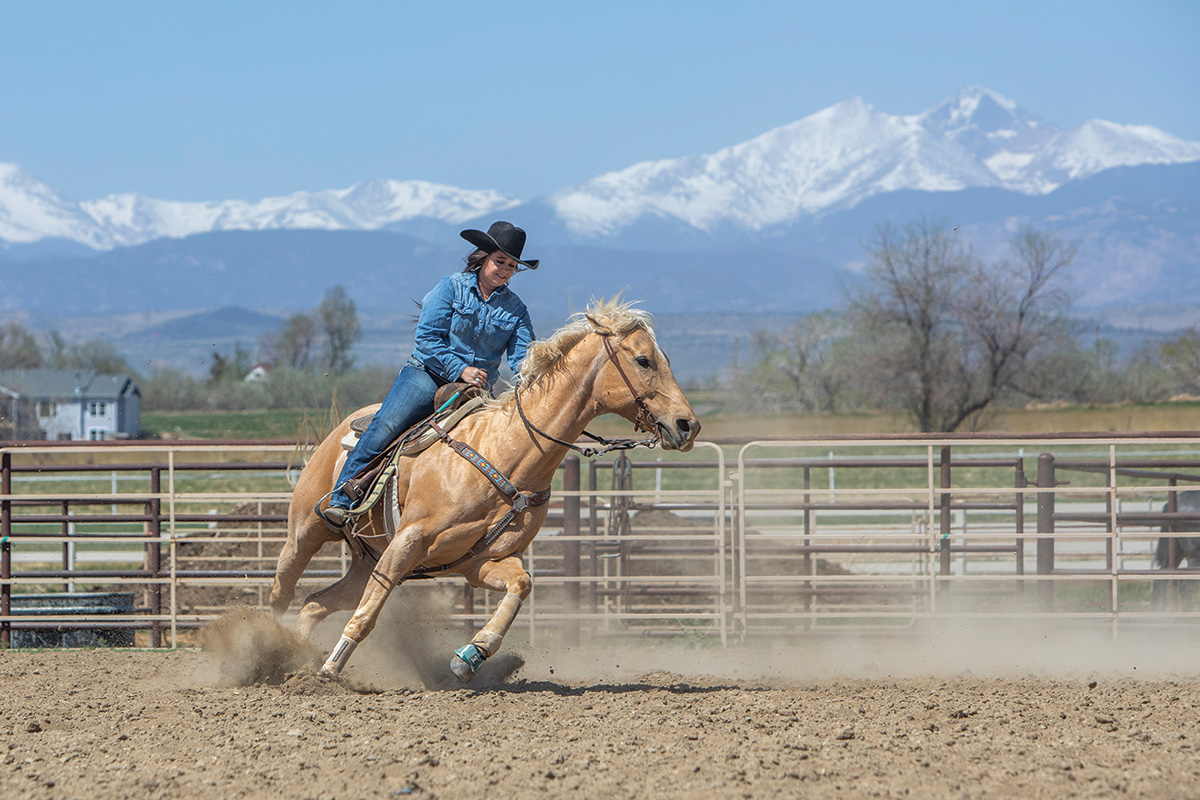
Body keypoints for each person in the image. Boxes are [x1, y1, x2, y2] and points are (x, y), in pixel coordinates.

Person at [318, 221, 540, 530]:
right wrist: (460, 369)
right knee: (388, 424)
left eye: (512, 265)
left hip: (475, 393)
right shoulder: (450, 287)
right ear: (483, 257)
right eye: (500, 261)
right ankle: (341, 498)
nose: (505, 270)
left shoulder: (516, 310)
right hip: (427, 376)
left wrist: (535, 381)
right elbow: (427, 340)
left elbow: (522, 359)